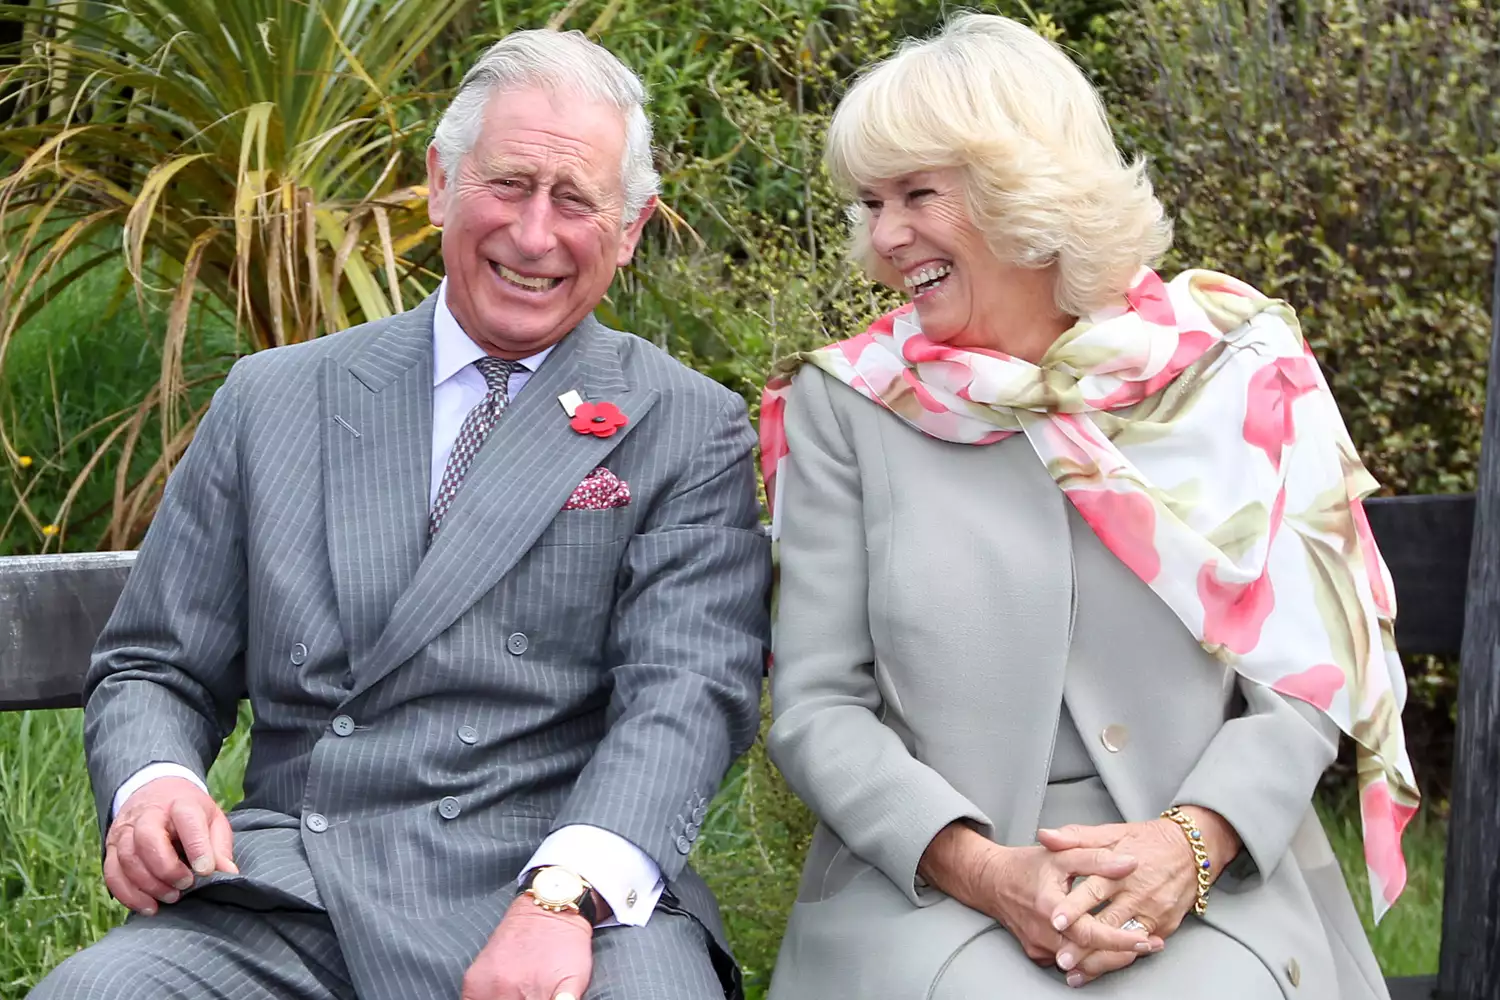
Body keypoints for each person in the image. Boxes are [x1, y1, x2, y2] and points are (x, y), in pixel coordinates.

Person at [30, 28, 770, 1000]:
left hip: (568, 887)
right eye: (507, 184)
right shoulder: (274, 397)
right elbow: (156, 663)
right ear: (440, 183)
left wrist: (561, 896)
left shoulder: (686, 424)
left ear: (631, 229)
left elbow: (682, 700)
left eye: (576, 200)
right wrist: (153, 783)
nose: (535, 234)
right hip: (295, 894)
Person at [758, 14, 1417, 998]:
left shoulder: (1234, 368)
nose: (886, 237)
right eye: (870, 203)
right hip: (933, 888)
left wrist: (1189, 845)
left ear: (1022, 189)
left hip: (1209, 868)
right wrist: (984, 867)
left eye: (918, 195)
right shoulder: (848, 406)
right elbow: (817, 705)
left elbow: (1307, 675)